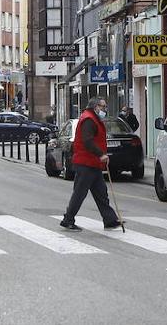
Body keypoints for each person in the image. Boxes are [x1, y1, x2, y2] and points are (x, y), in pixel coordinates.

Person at [60, 97, 122, 232]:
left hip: (92, 163)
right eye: (103, 107)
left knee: (101, 193)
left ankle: (110, 220)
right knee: (79, 193)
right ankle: (68, 219)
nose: (104, 110)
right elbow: (87, 141)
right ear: (95, 107)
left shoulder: (92, 118)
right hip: (86, 162)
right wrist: (101, 154)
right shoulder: (89, 119)